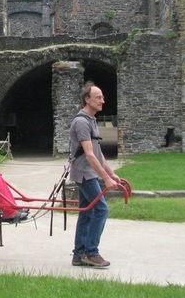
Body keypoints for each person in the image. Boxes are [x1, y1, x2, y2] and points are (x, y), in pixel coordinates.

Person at [69, 81, 122, 268]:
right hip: (85, 174)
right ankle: (91, 253)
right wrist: (105, 178)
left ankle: (78, 254)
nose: (102, 101)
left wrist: (112, 174)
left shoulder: (91, 120)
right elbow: (90, 155)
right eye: (98, 97)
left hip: (88, 173)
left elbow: (98, 153)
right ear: (87, 99)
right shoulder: (82, 122)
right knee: (101, 210)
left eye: (102, 97)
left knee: (88, 212)